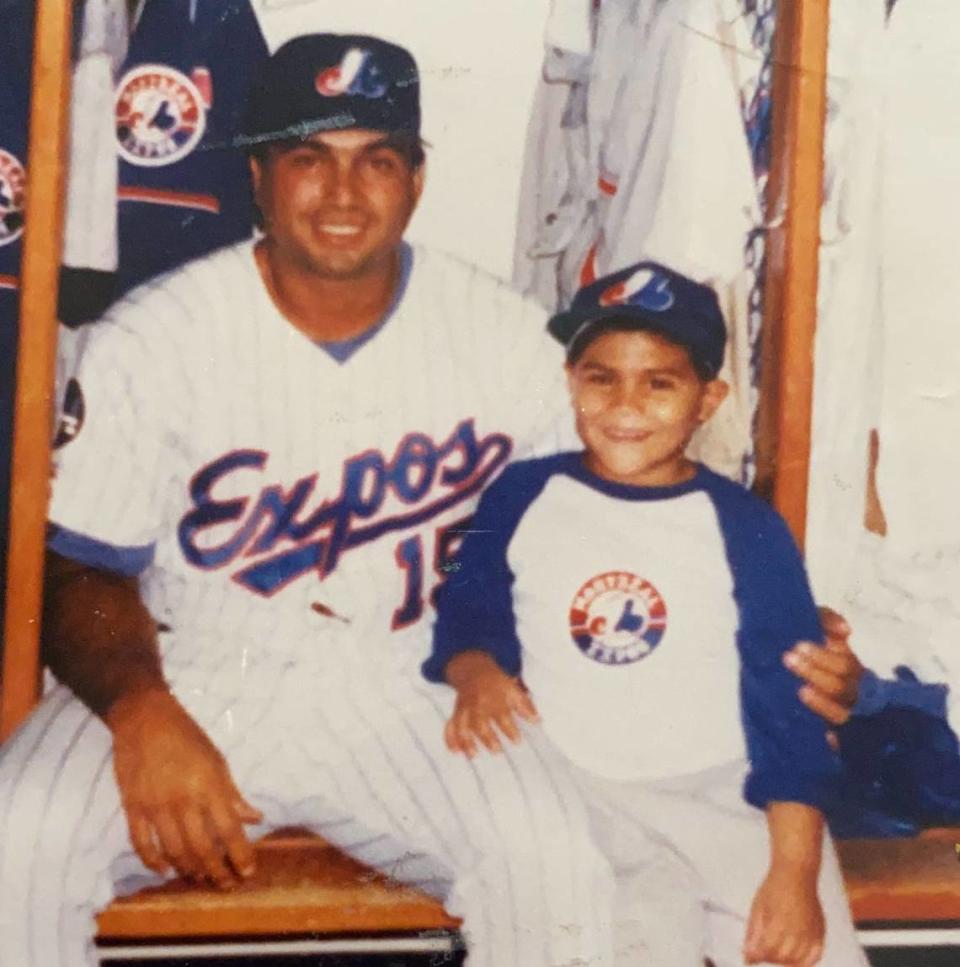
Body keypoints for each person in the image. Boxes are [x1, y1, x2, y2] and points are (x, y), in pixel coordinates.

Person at [0, 32, 861, 967]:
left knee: (556, 863)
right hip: (186, 671)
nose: (341, 193)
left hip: (416, 679)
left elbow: (646, 510)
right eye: (308, 159)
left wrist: (786, 638)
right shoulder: (155, 335)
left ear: (416, 179)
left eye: (376, 160)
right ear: (258, 176)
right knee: (15, 846)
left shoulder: (506, 340)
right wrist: (140, 712)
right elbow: (81, 562)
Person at [424, 261, 869, 966]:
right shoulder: (520, 494)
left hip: (729, 798)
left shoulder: (746, 527)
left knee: (804, 949)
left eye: (660, 382)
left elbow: (792, 708)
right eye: (602, 377)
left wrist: (792, 872)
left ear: (708, 398)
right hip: (581, 800)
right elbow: (466, 608)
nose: (626, 404)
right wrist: (475, 669)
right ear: (572, 380)